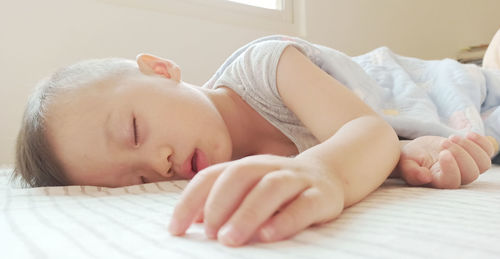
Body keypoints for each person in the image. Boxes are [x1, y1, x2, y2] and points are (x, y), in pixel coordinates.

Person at [13, 33, 499, 247]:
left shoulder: (264, 66)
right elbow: (377, 149)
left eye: (136, 131)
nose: (158, 164)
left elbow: (365, 131)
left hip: (435, 85)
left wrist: (322, 172)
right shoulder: (239, 166)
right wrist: (400, 158)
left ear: (160, 70)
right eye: (134, 178)